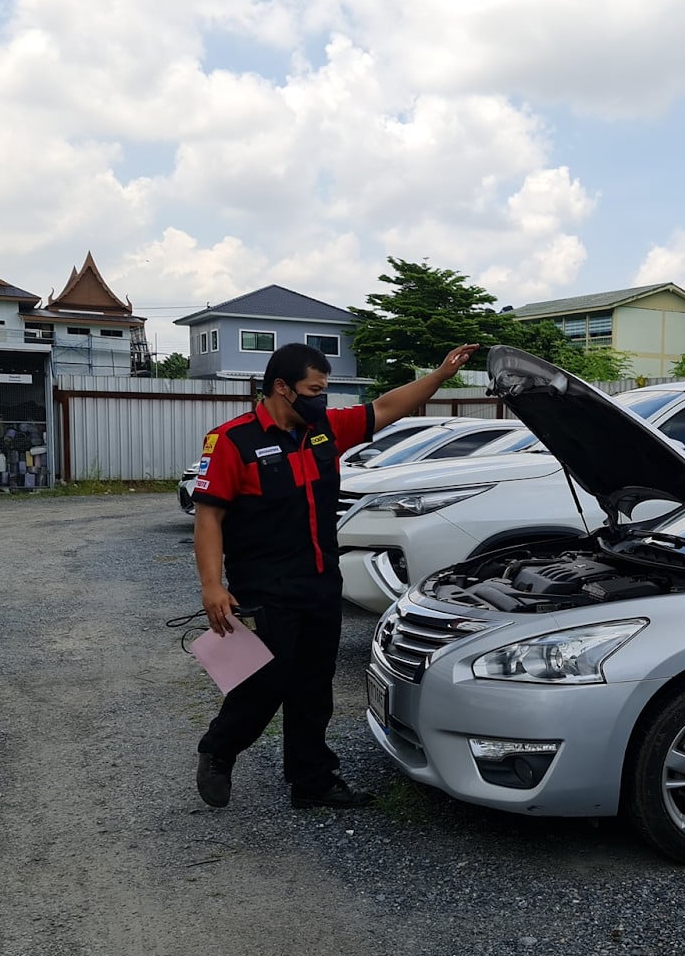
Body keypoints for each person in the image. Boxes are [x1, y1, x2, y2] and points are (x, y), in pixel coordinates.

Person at [191, 341, 478, 809]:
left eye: (325, 389)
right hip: (264, 586)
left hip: (321, 581)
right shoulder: (231, 441)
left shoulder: (324, 430)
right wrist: (212, 586)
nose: (322, 399)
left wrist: (441, 375)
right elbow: (208, 518)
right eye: (314, 389)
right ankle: (220, 748)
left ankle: (312, 781)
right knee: (266, 679)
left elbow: (385, 407)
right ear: (281, 388)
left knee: (313, 684)